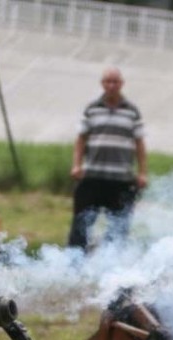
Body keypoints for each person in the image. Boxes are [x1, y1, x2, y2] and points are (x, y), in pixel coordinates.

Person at [67, 67, 147, 250]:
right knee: (81, 223)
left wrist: (142, 173)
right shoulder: (92, 109)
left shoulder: (132, 111)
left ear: (121, 84)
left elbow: (140, 143)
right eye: (108, 81)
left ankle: (111, 262)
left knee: (119, 226)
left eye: (115, 82)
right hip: (93, 177)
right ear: (102, 84)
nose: (111, 86)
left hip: (121, 179)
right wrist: (76, 165)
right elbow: (81, 139)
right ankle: (74, 262)